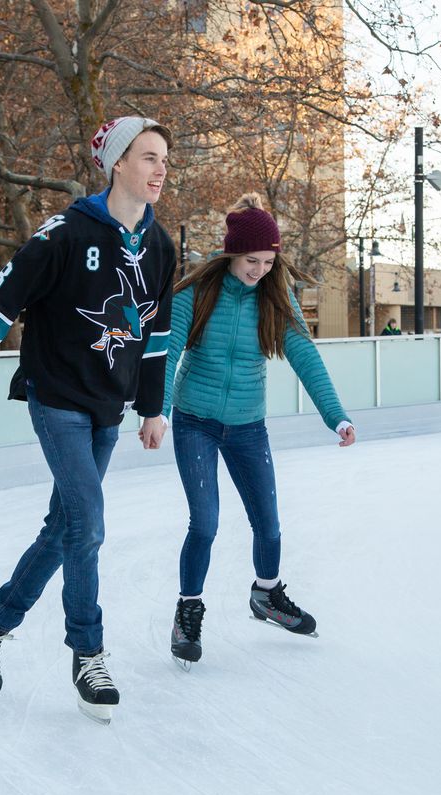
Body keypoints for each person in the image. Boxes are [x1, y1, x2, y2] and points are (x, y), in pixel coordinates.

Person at [0, 116, 176, 723]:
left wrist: (153, 406)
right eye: (148, 157)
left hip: (109, 405)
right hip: (56, 396)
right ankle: (87, 651)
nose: (159, 171)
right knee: (88, 523)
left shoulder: (160, 246)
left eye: (164, 161)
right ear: (118, 163)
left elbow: (156, 336)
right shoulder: (64, 234)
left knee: (65, 525)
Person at [161, 193, 355, 668]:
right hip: (195, 422)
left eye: (269, 261)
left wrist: (337, 414)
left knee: (268, 524)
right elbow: (166, 350)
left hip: (248, 426)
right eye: (252, 260)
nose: (260, 270)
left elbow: (304, 354)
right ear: (231, 253)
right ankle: (188, 608)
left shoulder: (274, 294)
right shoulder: (198, 291)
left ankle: (266, 595)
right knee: (204, 522)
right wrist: (158, 410)